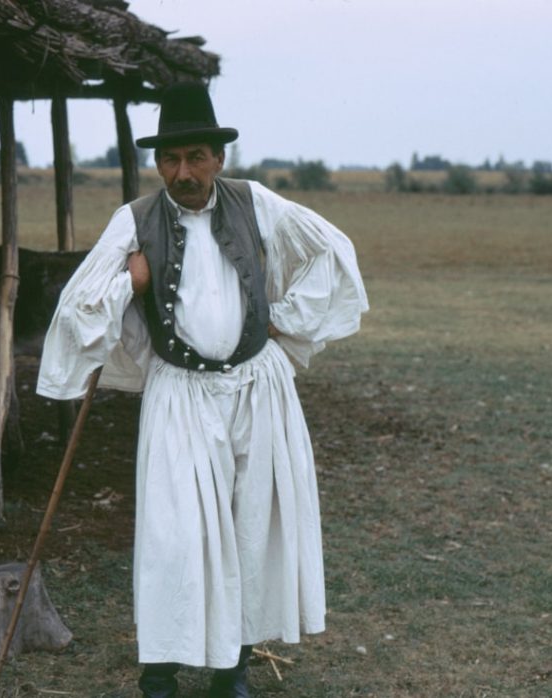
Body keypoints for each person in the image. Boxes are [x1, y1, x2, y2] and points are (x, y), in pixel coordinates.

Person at [36, 82, 368, 697]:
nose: (181, 172)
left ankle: (231, 670)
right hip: (180, 396)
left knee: (249, 527)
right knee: (175, 535)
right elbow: (77, 312)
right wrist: (128, 284)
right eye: (169, 160)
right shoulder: (134, 219)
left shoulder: (255, 203)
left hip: (256, 389)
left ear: (218, 157)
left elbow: (333, 253)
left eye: (194, 157)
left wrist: (282, 317)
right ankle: (159, 671)